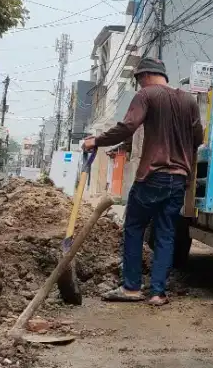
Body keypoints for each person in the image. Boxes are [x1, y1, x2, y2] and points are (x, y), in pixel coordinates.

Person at [83, 56, 203, 306]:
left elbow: (128, 127)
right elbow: (197, 137)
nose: (139, 86)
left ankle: (131, 288)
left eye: (138, 80)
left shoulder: (147, 95)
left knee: (134, 227)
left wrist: (96, 141)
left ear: (145, 76)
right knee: (166, 234)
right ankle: (158, 293)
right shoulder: (189, 100)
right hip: (179, 178)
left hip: (152, 175)